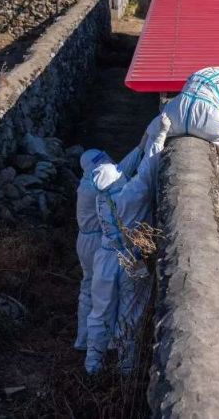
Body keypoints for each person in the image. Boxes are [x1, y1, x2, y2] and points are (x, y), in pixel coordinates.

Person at [85, 115, 171, 375]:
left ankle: (92, 366)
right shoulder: (131, 195)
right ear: (117, 180)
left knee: (99, 313)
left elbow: (123, 170)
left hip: (105, 257)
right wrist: (157, 136)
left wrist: (139, 144)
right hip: (130, 258)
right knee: (129, 314)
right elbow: (148, 167)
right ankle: (126, 367)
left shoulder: (99, 197)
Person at [141, 60, 219, 209]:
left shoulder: (213, 69)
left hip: (179, 109)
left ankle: (139, 165)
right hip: (207, 117)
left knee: (155, 130)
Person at [73, 145, 150, 351]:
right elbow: (132, 176)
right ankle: (109, 347)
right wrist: (151, 145)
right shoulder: (108, 193)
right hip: (103, 246)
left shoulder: (93, 182)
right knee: (103, 295)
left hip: (97, 245)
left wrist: (140, 147)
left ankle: (88, 345)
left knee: (95, 293)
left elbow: (117, 171)